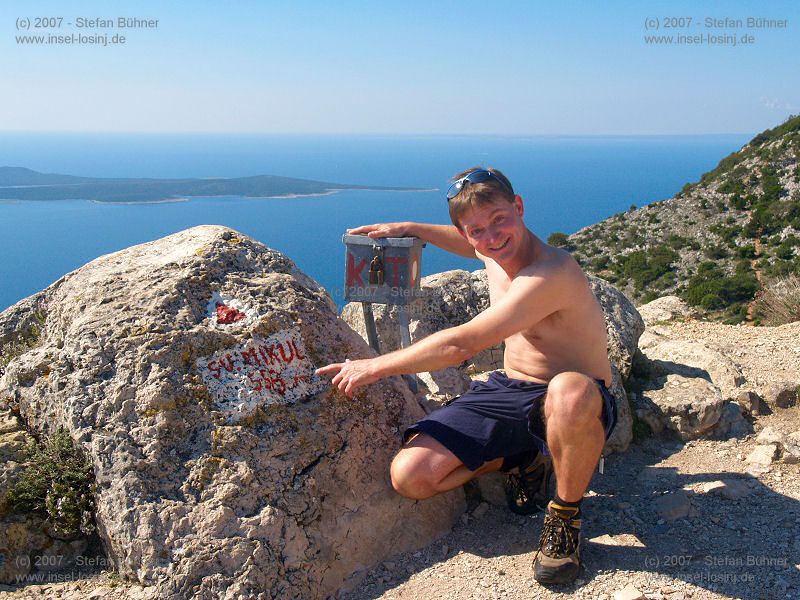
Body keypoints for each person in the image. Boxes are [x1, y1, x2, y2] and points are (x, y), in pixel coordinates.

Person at [316, 167, 617, 585]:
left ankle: (564, 517)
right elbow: (467, 241)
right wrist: (408, 228)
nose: (492, 237)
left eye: (499, 220)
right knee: (412, 476)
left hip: (577, 400)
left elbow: (461, 345)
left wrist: (373, 366)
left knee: (568, 389)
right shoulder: (493, 251)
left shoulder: (551, 271)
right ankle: (523, 458)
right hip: (511, 390)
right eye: (478, 230)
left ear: (519, 207)